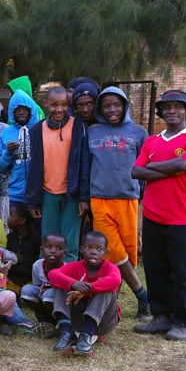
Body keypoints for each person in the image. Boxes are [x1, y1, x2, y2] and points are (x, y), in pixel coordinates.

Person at [132, 90, 186, 341]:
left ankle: (183, 320)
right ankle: (161, 316)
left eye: (178, 106)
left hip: (182, 216)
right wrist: (165, 169)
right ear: (161, 111)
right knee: (155, 268)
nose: (172, 111)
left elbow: (183, 165)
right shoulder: (152, 141)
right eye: (167, 107)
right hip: (153, 214)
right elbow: (135, 172)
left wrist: (152, 167)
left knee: (181, 271)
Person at [78, 86, 151, 320]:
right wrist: (85, 198)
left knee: (128, 251)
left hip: (129, 199)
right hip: (99, 199)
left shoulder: (139, 132)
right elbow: (86, 167)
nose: (112, 110)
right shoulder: (93, 131)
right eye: (107, 105)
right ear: (100, 108)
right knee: (114, 251)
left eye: (117, 105)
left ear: (125, 106)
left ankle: (111, 304)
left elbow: (145, 167)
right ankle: (142, 297)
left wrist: (141, 195)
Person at [26, 86, 88, 260]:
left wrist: (83, 197)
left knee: (70, 242)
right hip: (47, 192)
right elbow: (34, 167)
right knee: (49, 240)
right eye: (54, 105)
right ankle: (46, 279)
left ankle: (69, 280)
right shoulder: (37, 130)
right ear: (46, 104)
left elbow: (83, 163)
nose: (59, 109)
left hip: (72, 192)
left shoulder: (78, 127)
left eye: (64, 105)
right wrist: (33, 200)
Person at [49, 231, 122, 356]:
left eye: (99, 249)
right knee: (61, 283)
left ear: (105, 253)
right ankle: (66, 332)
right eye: (88, 248)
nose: (93, 252)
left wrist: (88, 288)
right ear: (81, 249)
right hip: (77, 318)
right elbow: (53, 274)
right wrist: (73, 284)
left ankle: (86, 335)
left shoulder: (110, 268)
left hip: (102, 320)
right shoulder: (75, 266)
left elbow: (116, 280)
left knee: (105, 288)